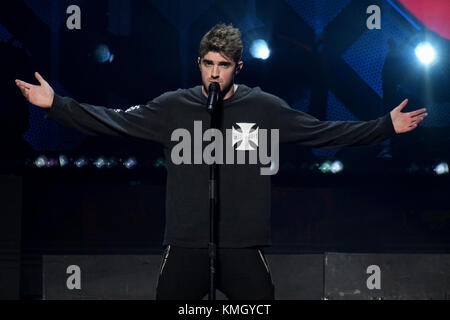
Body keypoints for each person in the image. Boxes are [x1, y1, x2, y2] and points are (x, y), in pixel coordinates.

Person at [15, 24, 428, 300]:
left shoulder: (263, 107)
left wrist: (384, 127)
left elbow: (323, 131)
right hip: (185, 246)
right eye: (208, 64)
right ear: (199, 64)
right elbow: (113, 122)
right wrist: (57, 105)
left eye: (223, 66)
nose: (215, 73)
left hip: (242, 246)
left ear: (238, 68)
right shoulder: (173, 107)